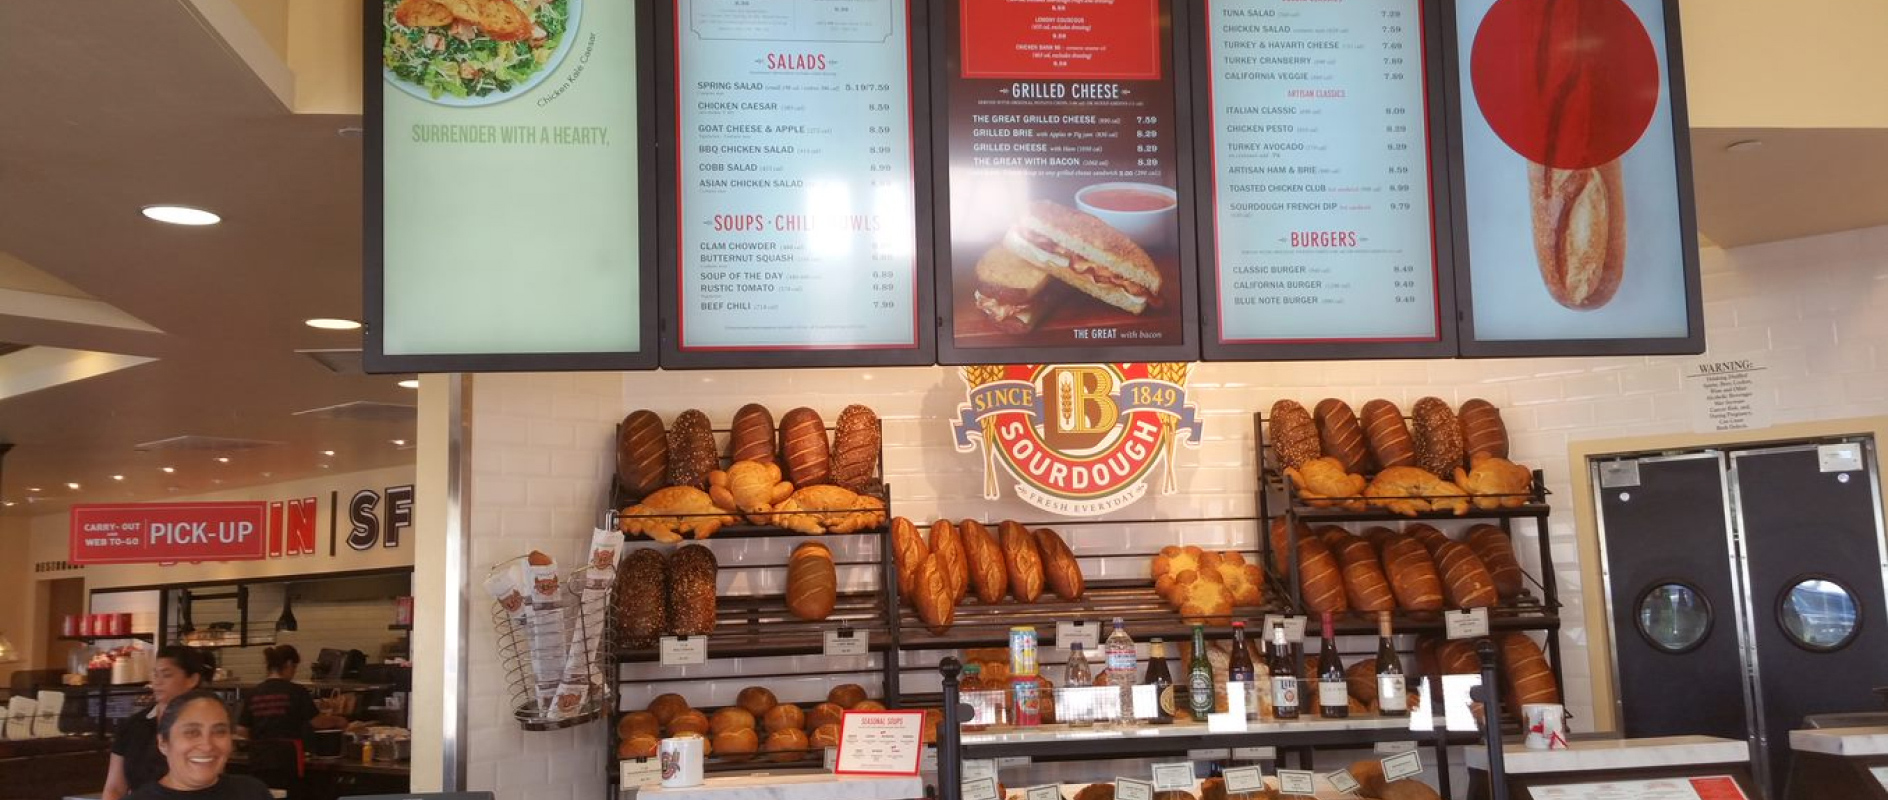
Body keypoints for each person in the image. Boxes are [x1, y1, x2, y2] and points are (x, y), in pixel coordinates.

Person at [106, 646, 214, 800]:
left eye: (166, 675)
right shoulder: (133, 725)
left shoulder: (204, 726)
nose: (157, 682)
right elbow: (114, 788)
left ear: (192, 680)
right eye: (155, 674)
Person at [125, 689, 271, 800]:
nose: (207, 745)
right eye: (192, 732)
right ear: (163, 743)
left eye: (219, 732)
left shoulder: (252, 793)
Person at [239, 645, 316, 795]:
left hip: (259, 759)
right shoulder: (297, 691)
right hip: (288, 759)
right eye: (294, 667)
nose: (294, 672)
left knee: (264, 795)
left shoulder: (253, 693)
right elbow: (316, 722)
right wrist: (339, 721)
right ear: (288, 664)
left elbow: (241, 730)